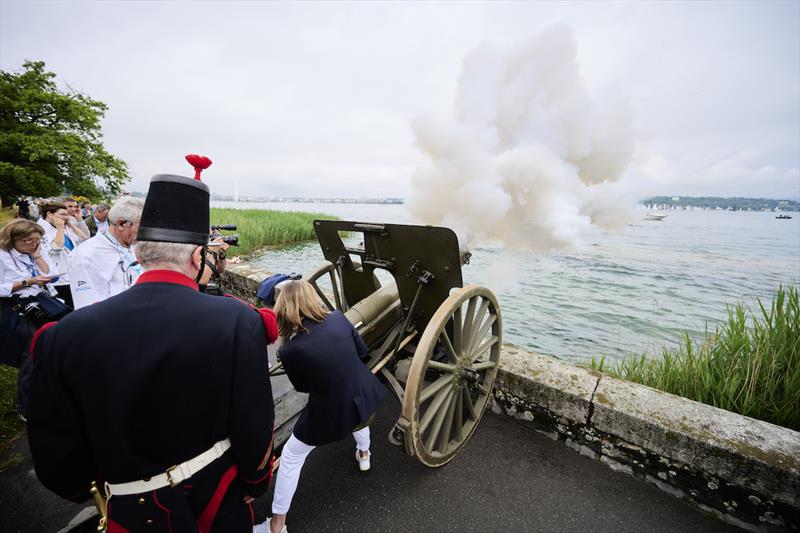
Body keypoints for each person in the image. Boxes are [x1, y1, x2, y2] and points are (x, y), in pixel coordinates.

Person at [27, 172, 277, 532]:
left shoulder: (61, 337)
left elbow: (57, 460)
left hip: (129, 509)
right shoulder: (237, 320)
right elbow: (253, 421)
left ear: (139, 251)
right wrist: (256, 482)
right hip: (214, 499)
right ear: (197, 256)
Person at [263, 280, 387, 533]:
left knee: (291, 458)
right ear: (311, 298)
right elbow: (363, 352)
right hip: (365, 394)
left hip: (330, 413)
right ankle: (364, 454)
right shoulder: (339, 318)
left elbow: (302, 387)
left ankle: (277, 526)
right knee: (358, 415)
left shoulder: (290, 351)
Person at [68, 197, 144, 309]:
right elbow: (86, 308)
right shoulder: (85, 255)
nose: (146, 232)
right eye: (142, 226)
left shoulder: (134, 245)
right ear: (121, 224)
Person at [0, 219, 55, 367]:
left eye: (37, 240)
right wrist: (27, 282)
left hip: (43, 302)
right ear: (12, 239)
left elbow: (51, 273)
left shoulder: (36, 249)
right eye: (28, 241)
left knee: (52, 342)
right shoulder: (2, 255)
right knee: (30, 349)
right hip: (17, 308)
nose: (33, 244)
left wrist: (37, 256)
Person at [36, 202, 75, 308]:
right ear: (49, 214)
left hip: (68, 275)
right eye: (63, 214)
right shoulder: (40, 229)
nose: (66, 217)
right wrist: (60, 229)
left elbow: (84, 237)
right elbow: (56, 248)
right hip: (56, 280)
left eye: (66, 214)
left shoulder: (56, 227)